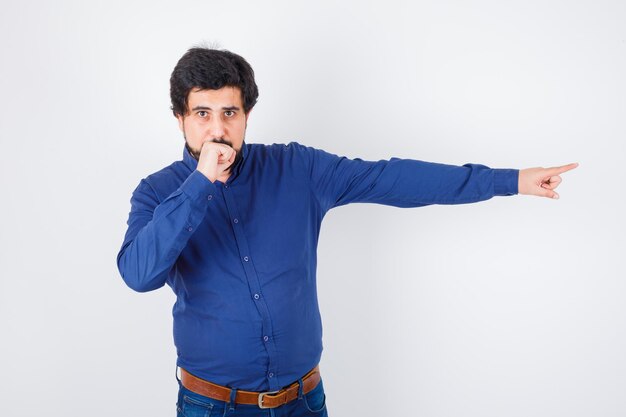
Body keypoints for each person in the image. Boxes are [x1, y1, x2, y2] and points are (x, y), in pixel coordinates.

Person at [116, 47, 578, 417]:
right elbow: (139, 274)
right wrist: (200, 184)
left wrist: (510, 181)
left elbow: (390, 178)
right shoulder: (157, 192)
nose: (218, 129)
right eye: (202, 113)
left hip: (303, 401)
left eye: (229, 113)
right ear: (180, 117)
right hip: (212, 407)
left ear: (247, 115)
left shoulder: (297, 168)